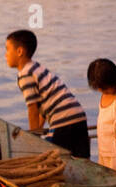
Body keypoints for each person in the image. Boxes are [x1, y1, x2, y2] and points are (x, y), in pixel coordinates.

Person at [5, 30, 90, 159]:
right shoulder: (37, 68)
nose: (5, 55)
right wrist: (39, 129)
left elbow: (33, 108)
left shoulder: (25, 74)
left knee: (55, 162)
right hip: (78, 116)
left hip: (63, 122)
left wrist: (34, 138)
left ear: (19, 51)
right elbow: (44, 104)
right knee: (83, 162)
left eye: (7, 49)